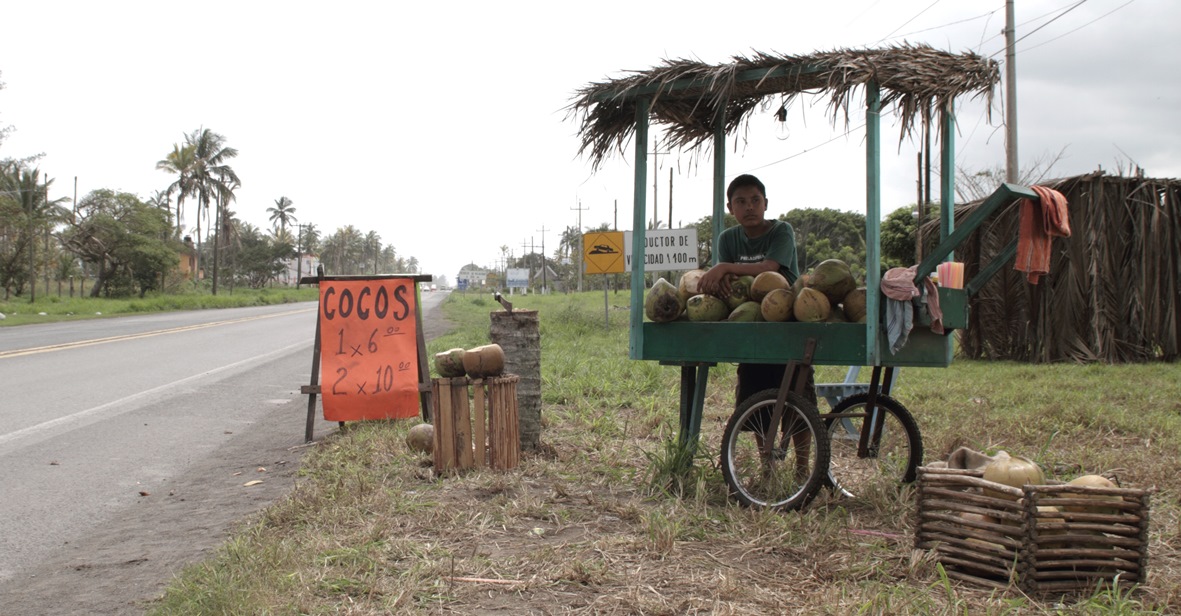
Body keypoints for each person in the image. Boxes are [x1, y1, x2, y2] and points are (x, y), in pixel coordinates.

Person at [698, 174, 816, 410]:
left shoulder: (782, 231)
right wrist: (724, 274)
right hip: (751, 321)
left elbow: (769, 268)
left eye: (755, 200)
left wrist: (724, 267)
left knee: (798, 394)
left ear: (766, 204)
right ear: (731, 208)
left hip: (787, 319)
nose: (749, 206)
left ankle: (804, 449)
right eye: (741, 202)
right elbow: (728, 283)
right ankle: (765, 449)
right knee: (755, 395)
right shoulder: (728, 238)